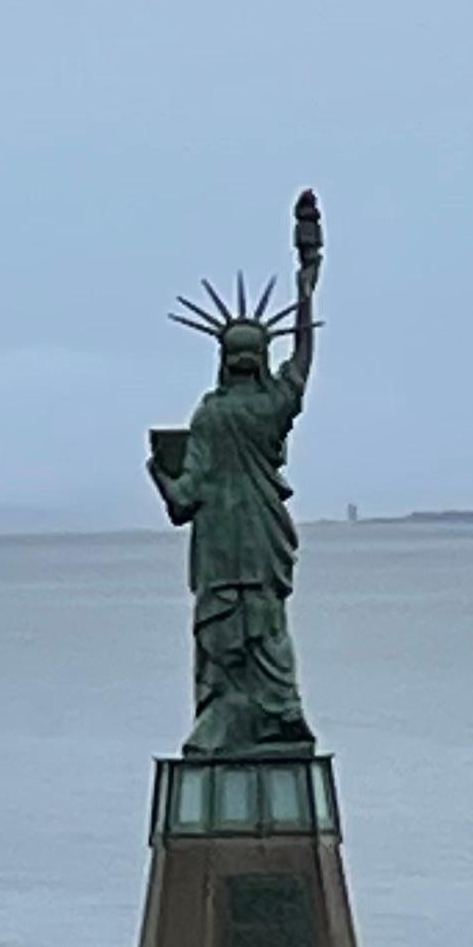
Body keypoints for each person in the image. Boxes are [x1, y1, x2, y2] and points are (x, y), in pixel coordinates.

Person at [149, 190, 324, 757]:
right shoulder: (272, 407)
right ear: (262, 358)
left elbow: (184, 500)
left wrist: (158, 471)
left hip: (222, 549)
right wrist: (305, 283)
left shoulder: (211, 415)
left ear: (223, 360)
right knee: (268, 625)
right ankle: (280, 710)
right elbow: (303, 361)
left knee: (223, 632)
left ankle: (227, 716)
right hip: (265, 538)